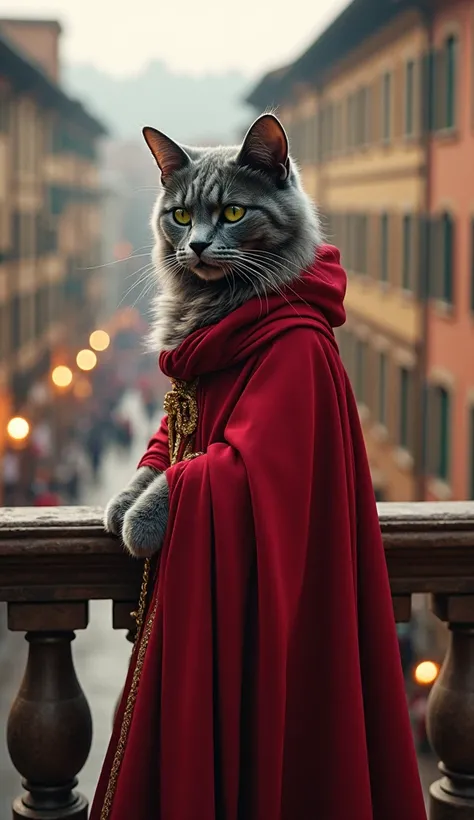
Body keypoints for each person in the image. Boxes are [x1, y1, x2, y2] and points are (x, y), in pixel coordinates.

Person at [91, 116, 426, 820]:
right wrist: (148, 475)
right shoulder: (224, 327)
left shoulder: (295, 340)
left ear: (281, 184)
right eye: (182, 217)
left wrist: (171, 491)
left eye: (230, 215)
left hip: (274, 628)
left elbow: (251, 478)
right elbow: (188, 418)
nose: (201, 241)